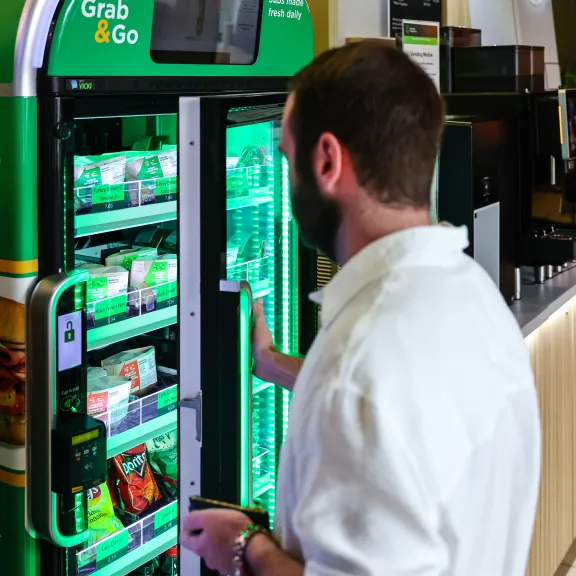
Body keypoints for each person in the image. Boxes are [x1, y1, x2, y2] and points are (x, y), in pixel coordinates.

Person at [181, 41, 541, 576]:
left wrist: (245, 547)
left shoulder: (358, 364)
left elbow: (363, 394)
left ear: (326, 160)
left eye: (286, 156)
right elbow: (398, 414)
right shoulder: (473, 297)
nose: (287, 177)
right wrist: (271, 363)